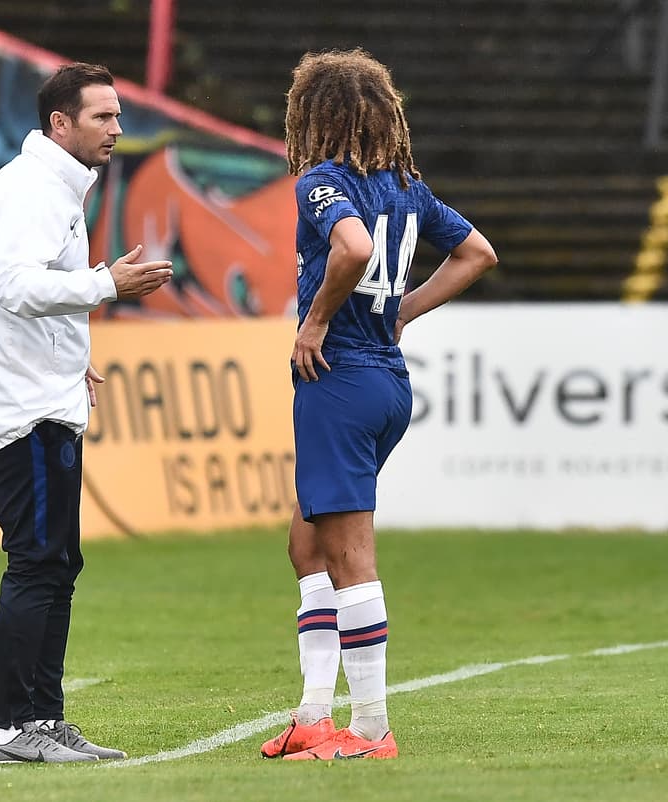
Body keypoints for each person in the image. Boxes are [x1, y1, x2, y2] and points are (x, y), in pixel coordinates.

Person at [259, 49, 498, 762]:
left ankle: (369, 727)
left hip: (339, 380)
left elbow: (353, 248)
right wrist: (403, 313)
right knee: (307, 545)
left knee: (348, 555)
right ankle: (311, 713)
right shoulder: (405, 187)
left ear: (315, 115)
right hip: (386, 381)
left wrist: (315, 323)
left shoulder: (323, 182)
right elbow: (477, 252)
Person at [0, 62, 173, 764]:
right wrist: (107, 282)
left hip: (42, 393)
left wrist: (68, 350)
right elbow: (16, 286)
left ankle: (43, 720)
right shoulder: (31, 190)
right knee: (38, 560)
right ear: (60, 123)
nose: (118, 128)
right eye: (103, 117)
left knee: (57, 560)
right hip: (24, 409)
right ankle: (11, 728)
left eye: (117, 116)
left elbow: (25, 297)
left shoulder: (53, 186)